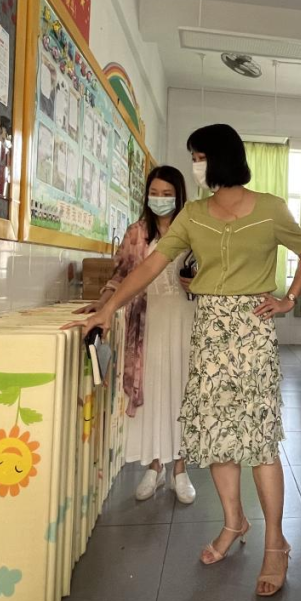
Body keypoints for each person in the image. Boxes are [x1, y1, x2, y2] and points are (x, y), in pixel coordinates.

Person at [65, 124, 301, 598]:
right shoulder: (194, 214)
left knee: (259, 439)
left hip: (252, 329)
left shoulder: (270, 208)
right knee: (216, 434)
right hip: (209, 330)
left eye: (198, 157)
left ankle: (276, 543)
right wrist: (107, 307)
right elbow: (149, 266)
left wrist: (290, 298)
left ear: (220, 158)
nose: (195, 166)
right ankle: (233, 522)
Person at [76, 166, 197, 504]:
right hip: (147, 323)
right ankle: (155, 467)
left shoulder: (192, 231)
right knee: (152, 391)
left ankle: (180, 470)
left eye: (167, 194)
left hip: (185, 320)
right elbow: (119, 276)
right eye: (154, 193)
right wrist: (103, 304)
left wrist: (197, 282)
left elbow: (208, 274)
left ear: (179, 196)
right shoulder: (137, 233)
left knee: (182, 391)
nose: (160, 199)